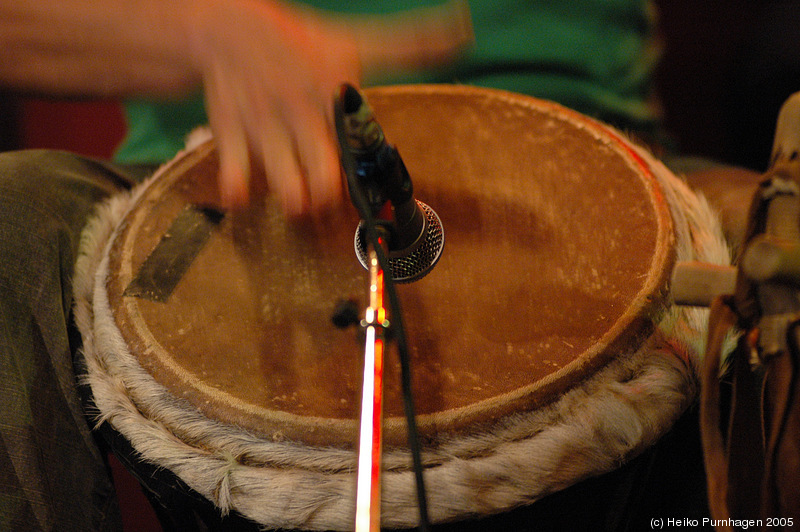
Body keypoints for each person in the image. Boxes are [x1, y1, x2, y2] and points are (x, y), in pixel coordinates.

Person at [0, 1, 674, 530]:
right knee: (14, 215)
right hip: (212, 181)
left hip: (590, 154)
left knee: (773, 253)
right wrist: (200, 28)